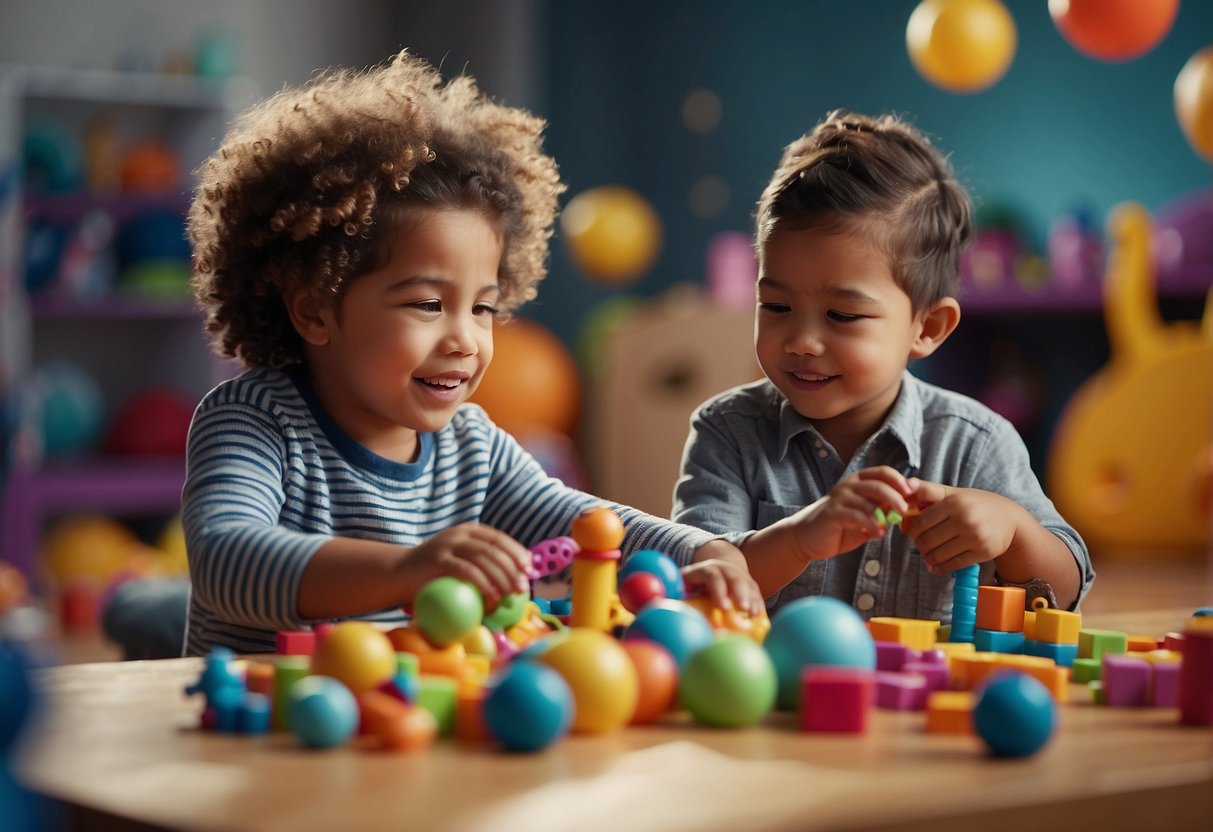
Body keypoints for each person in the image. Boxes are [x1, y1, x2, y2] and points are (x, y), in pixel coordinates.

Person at [166, 50, 760, 656]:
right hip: (261, 734)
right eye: (427, 305)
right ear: (314, 310)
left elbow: (584, 523)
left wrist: (700, 550)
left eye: (482, 308)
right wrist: (407, 570)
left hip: (396, 730)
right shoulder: (253, 422)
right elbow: (224, 559)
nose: (465, 340)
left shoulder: (472, 448)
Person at [672, 110, 1093, 621]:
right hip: (773, 700)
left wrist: (1013, 530)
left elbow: (1066, 592)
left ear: (928, 327)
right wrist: (800, 538)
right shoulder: (728, 432)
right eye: (776, 307)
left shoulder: (975, 443)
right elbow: (700, 581)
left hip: (925, 700)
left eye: (842, 315)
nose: (802, 342)